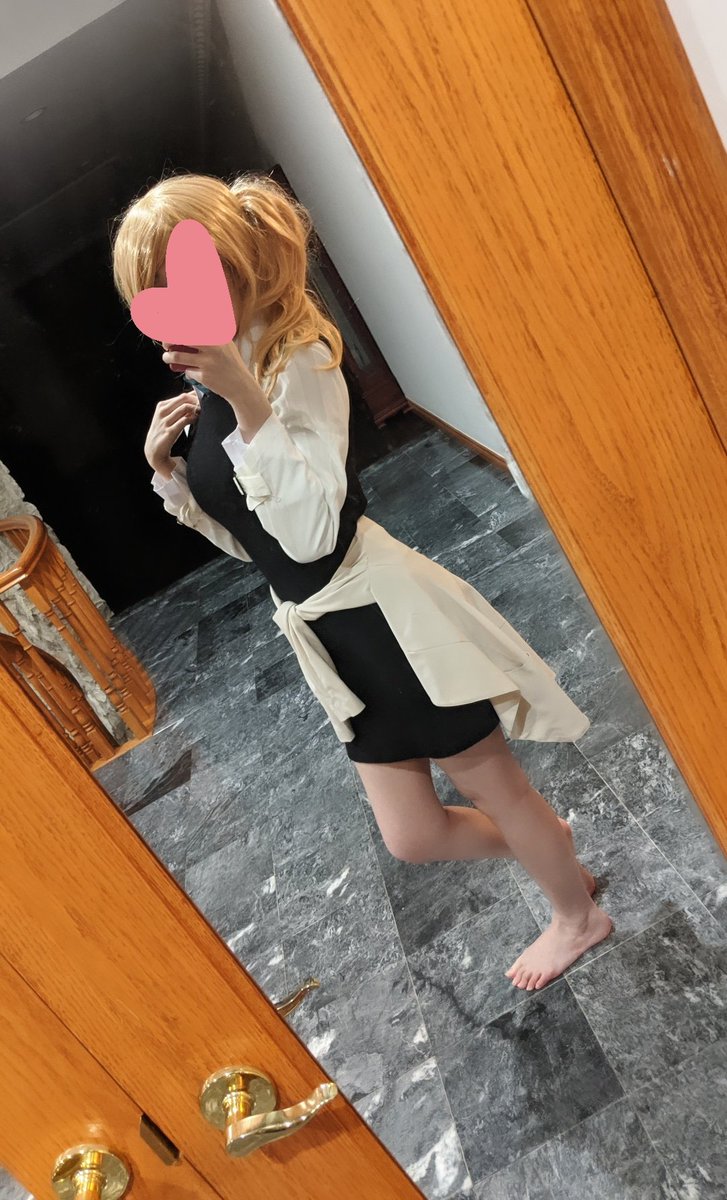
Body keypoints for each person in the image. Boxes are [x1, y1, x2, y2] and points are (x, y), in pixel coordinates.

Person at [112, 172, 612, 991]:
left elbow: (312, 531)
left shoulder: (295, 360)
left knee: (492, 783)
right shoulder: (221, 378)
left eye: (174, 281)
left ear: (230, 263)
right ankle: (547, 847)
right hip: (328, 633)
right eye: (150, 293)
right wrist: (167, 474)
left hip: (381, 616)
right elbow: (259, 545)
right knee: (412, 835)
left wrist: (246, 401)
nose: (166, 310)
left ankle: (576, 913)